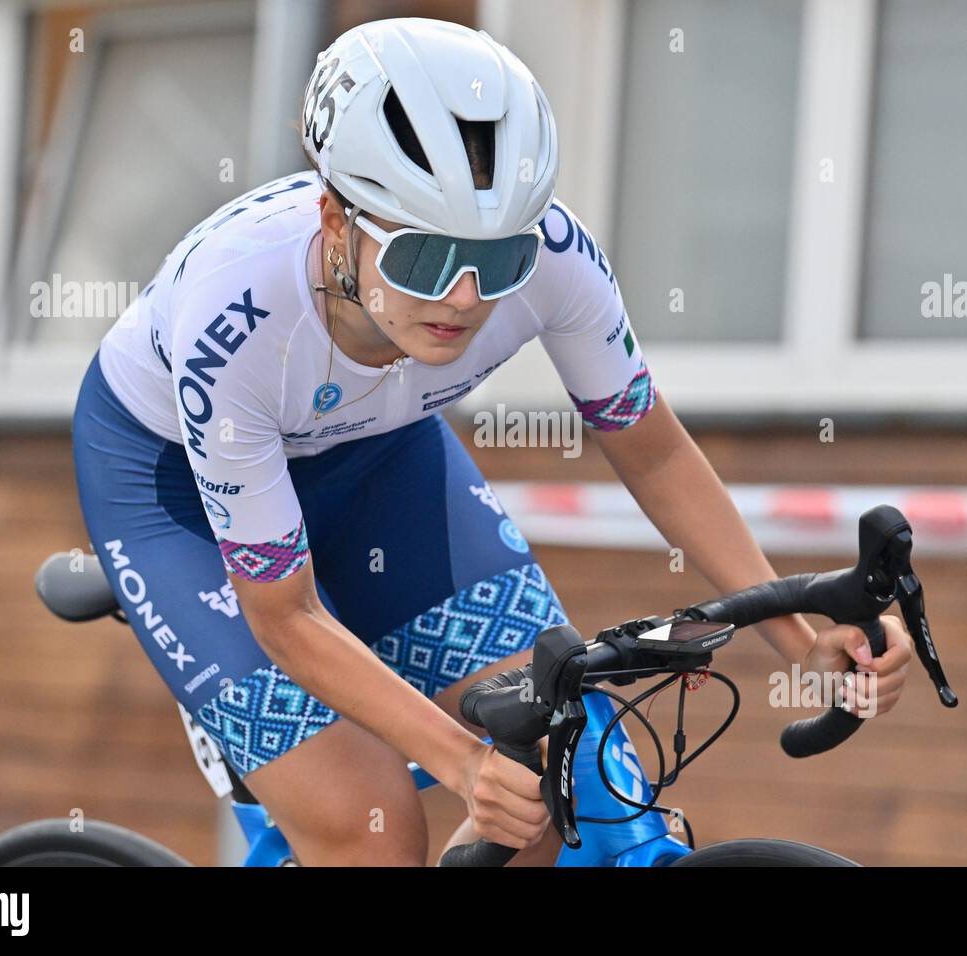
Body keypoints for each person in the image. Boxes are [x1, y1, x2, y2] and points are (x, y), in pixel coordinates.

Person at [70, 16, 914, 866]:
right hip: (172, 493)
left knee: (554, 778)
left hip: (374, 458)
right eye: (425, 258)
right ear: (335, 222)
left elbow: (653, 453)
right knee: (375, 827)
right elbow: (285, 616)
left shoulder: (555, 258)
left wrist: (802, 643)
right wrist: (461, 758)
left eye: (498, 259)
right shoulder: (239, 321)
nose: (466, 298)